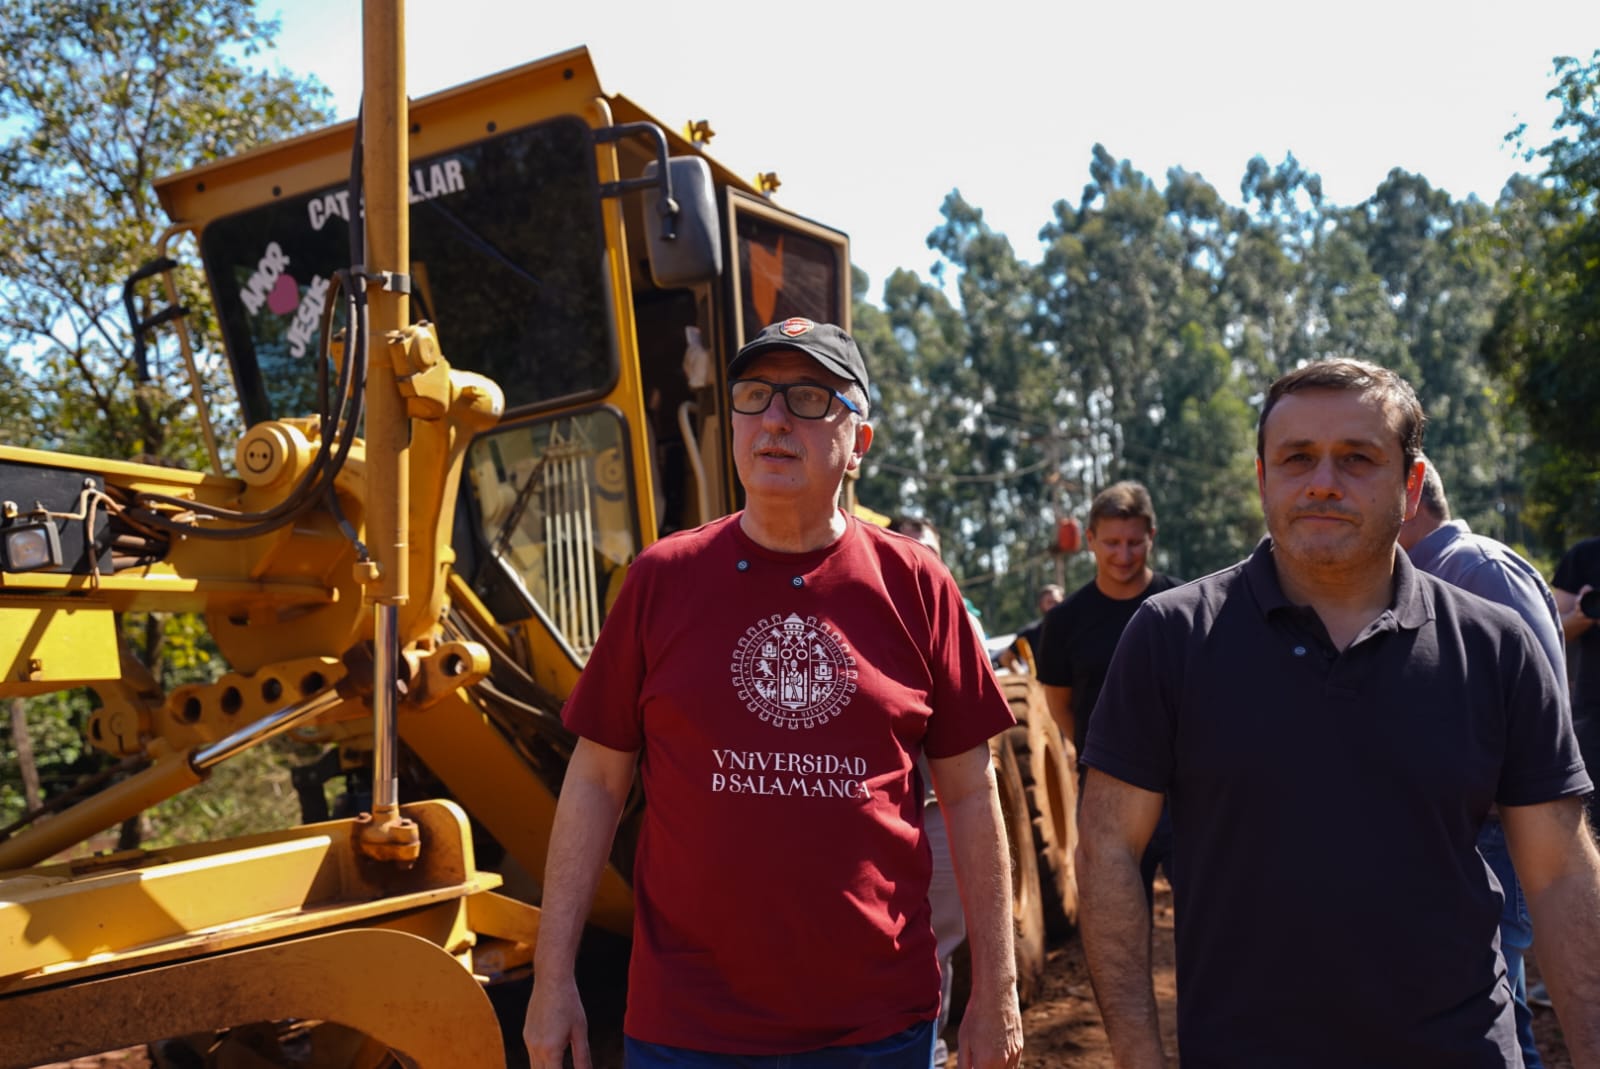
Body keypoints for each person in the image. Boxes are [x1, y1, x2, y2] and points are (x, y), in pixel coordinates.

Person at [523, 317, 1024, 1069]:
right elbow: (596, 779)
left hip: (877, 1029)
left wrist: (998, 987)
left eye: (810, 397)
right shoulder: (661, 581)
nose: (776, 419)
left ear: (860, 441)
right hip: (688, 1032)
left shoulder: (917, 586)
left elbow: (971, 791)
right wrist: (551, 975)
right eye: (754, 395)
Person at [1077, 358, 1600, 1067]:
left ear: (1410, 485)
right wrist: (1139, 1055)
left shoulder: (1494, 645)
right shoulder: (1172, 637)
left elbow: (1561, 873)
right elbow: (1108, 847)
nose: (1323, 481)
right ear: (1263, 479)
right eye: (1297, 458)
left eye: (1357, 458)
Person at [1398, 457, 1567, 1069]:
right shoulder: (1427, 574)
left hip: (1494, 834)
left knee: (1497, 1027)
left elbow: (1538, 720)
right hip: (1458, 834)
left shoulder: (1477, 570)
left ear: (1409, 496)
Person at [1034, 482, 1181, 904]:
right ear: (1090, 540)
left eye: (1134, 542)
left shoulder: (1183, 606)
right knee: (1116, 911)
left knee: (1207, 912)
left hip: (1184, 786)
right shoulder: (1065, 621)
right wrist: (1098, 750)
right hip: (1105, 786)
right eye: (1112, 543)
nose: (1124, 555)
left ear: (1152, 537)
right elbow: (1060, 704)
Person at [889, 515, 976, 1069]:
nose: (921, 565)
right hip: (876, 820)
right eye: (910, 553)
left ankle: (931, 1050)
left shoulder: (957, 626)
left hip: (938, 812)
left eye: (931, 554)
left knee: (936, 943)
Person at [1553, 534, 1600, 831]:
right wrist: (1582, 616)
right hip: (1593, 712)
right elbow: (1555, 629)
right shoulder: (1585, 556)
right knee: (1593, 815)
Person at [1000, 585, 1064, 673]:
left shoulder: (1073, 628)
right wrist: (1023, 676)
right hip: (1043, 681)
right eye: (1049, 602)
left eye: (1057, 602)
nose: (1054, 606)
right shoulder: (1030, 633)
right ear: (1041, 605)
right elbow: (1005, 658)